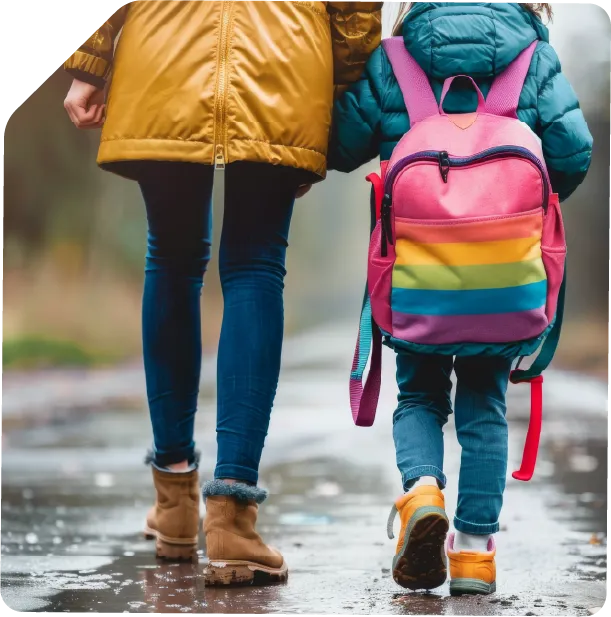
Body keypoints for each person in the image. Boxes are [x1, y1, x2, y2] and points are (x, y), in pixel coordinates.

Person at [63, 0, 382, 585]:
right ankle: (233, 521)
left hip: (163, 43)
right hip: (284, 54)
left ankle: (175, 501)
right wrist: (343, 84)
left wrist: (92, 60)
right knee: (256, 267)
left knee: (173, 259)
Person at [329, 0, 592, 596]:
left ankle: (423, 492)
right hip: (504, 282)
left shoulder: (394, 60)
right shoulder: (534, 58)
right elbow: (573, 152)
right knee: (485, 406)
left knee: (419, 395)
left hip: (417, 280)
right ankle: (474, 552)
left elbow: (341, 144)